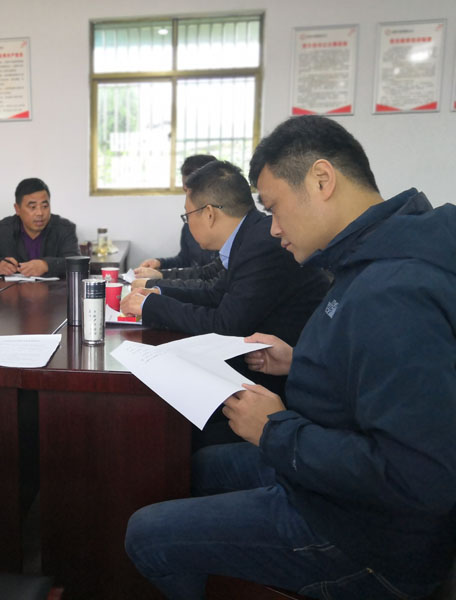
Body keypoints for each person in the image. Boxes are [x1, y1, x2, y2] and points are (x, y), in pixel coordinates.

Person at [125, 116, 456, 599]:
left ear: (322, 180)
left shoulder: (395, 289)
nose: (274, 228)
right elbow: (386, 377)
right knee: (197, 465)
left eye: (275, 207)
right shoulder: (371, 255)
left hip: (364, 539)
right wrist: (299, 362)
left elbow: (419, 478)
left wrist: (273, 430)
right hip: (328, 481)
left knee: (146, 533)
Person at [120, 160, 329, 348]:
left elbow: (226, 326)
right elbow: (216, 294)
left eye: (188, 215)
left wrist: (152, 305)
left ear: (209, 214)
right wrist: (158, 293)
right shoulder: (249, 235)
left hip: (284, 366)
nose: (188, 223)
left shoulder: (261, 245)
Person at [135, 154, 219, 284]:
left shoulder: (224, 230)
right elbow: (185, 260)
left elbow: (210, 279)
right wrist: (160, 263)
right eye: (185, 191)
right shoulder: (189, 223)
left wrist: (160, 278)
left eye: (191, 191)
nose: (188, 197)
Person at [0, 177, 79, 277]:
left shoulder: (64, 228)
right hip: (12, 287)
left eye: (45, 206)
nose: (40, 213)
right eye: (32, 207)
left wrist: (46, 265)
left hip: (52, 287)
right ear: (17, 209)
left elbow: (76, 262)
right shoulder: (1, 230)